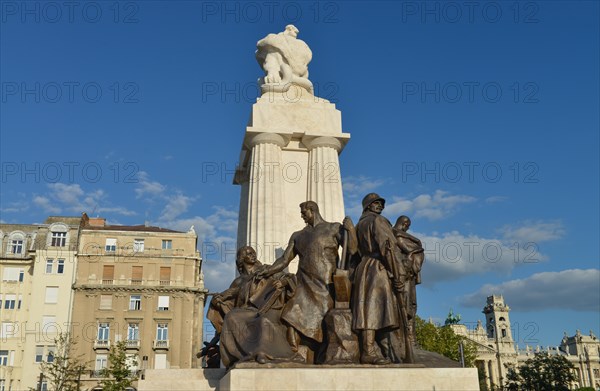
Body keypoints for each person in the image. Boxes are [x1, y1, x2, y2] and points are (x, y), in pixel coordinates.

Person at [258, 201, 356, 362]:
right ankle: (293, 352)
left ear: (312, 210)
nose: (302, 216)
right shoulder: (298, 235)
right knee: (291, 313)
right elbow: (284, 260)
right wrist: (267, 270)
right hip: (303, 284)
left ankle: (319, 355)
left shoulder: (334, 228)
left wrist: (350, 230)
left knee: (323, 321)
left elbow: (351, 250)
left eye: (304, 213)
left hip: (326, 285)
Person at [210, 246, 298, 367]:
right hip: (247, 311)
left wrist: (282, 282)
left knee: (262, 320)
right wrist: (217, 301)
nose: (252, 255)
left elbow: (289, 277)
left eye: (253, 253)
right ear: (241, 259)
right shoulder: (238, 282)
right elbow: (229, 300)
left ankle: (263, 353)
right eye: (248, 253)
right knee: (231, 316)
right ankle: (243, 355)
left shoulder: (266, 270)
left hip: (270, 307)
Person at [352, 193, 408, 364]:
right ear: (368, 205)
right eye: (376, 203)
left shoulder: (358, 225)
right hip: (378, 267)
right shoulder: (378, 221)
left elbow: (352, 252)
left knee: (372, 309)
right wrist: (399, 274)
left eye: (381, 204)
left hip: (363, 268)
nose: (380, 206)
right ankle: (369, 351)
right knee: (374, 310)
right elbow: (389, 249)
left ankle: (383, 350)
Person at [393, 215, 425, 345]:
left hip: (407, 276)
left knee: (410, 306)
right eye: (407, 225)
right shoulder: (398, 236)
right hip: (403, 276)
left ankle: (410, 339)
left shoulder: (395, 235)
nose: (408, 228)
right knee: (406, 306)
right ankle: (407, 339)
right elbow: (413, 250)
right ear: (404, 223)